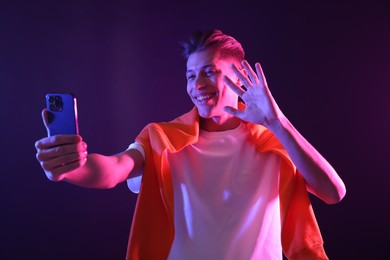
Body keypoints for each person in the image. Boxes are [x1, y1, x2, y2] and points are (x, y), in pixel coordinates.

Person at [35, 29, 346, 260]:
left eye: (209, 72)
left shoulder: (275, 142)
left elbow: (334, 192)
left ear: (240, 77)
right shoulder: (164, 137)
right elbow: (115, 169)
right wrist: (71, 167)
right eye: (190, 75)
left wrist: (277, 122)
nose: (198, 85)